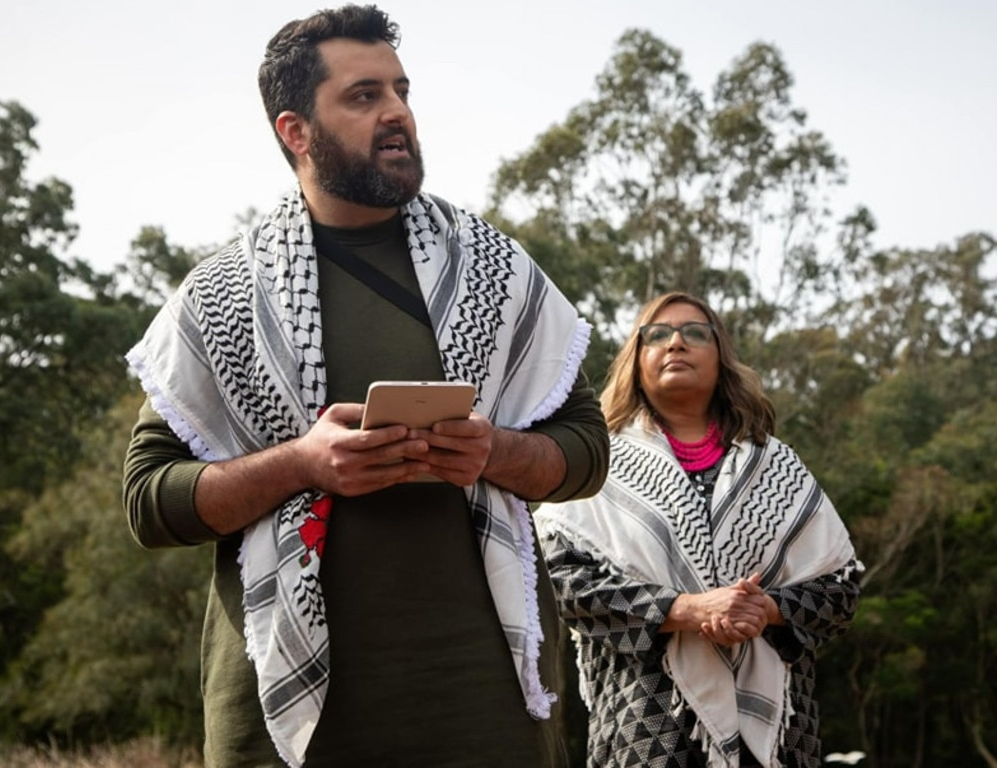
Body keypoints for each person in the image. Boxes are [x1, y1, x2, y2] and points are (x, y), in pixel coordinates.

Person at [121, 5, 609, 767]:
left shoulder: (494, 270)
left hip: (483, 704)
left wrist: (493, 452)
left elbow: (585, 450)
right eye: (363, 96)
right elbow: (149, 502)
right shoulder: (222, 295)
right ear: (295, 130)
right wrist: (302, 464)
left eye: (401, 91)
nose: (397, 114)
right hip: (289, 726)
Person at [534, 291, 862, 768]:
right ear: (636, 359)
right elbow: (558, 582)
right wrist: (685, 609)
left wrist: (766, 608)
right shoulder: (601, 468)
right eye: (658, 335)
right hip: (647, 727)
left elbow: (842, 588)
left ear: (720, 356)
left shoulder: (778, 466)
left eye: (694, 334)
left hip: (776, 742)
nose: (676, 344)